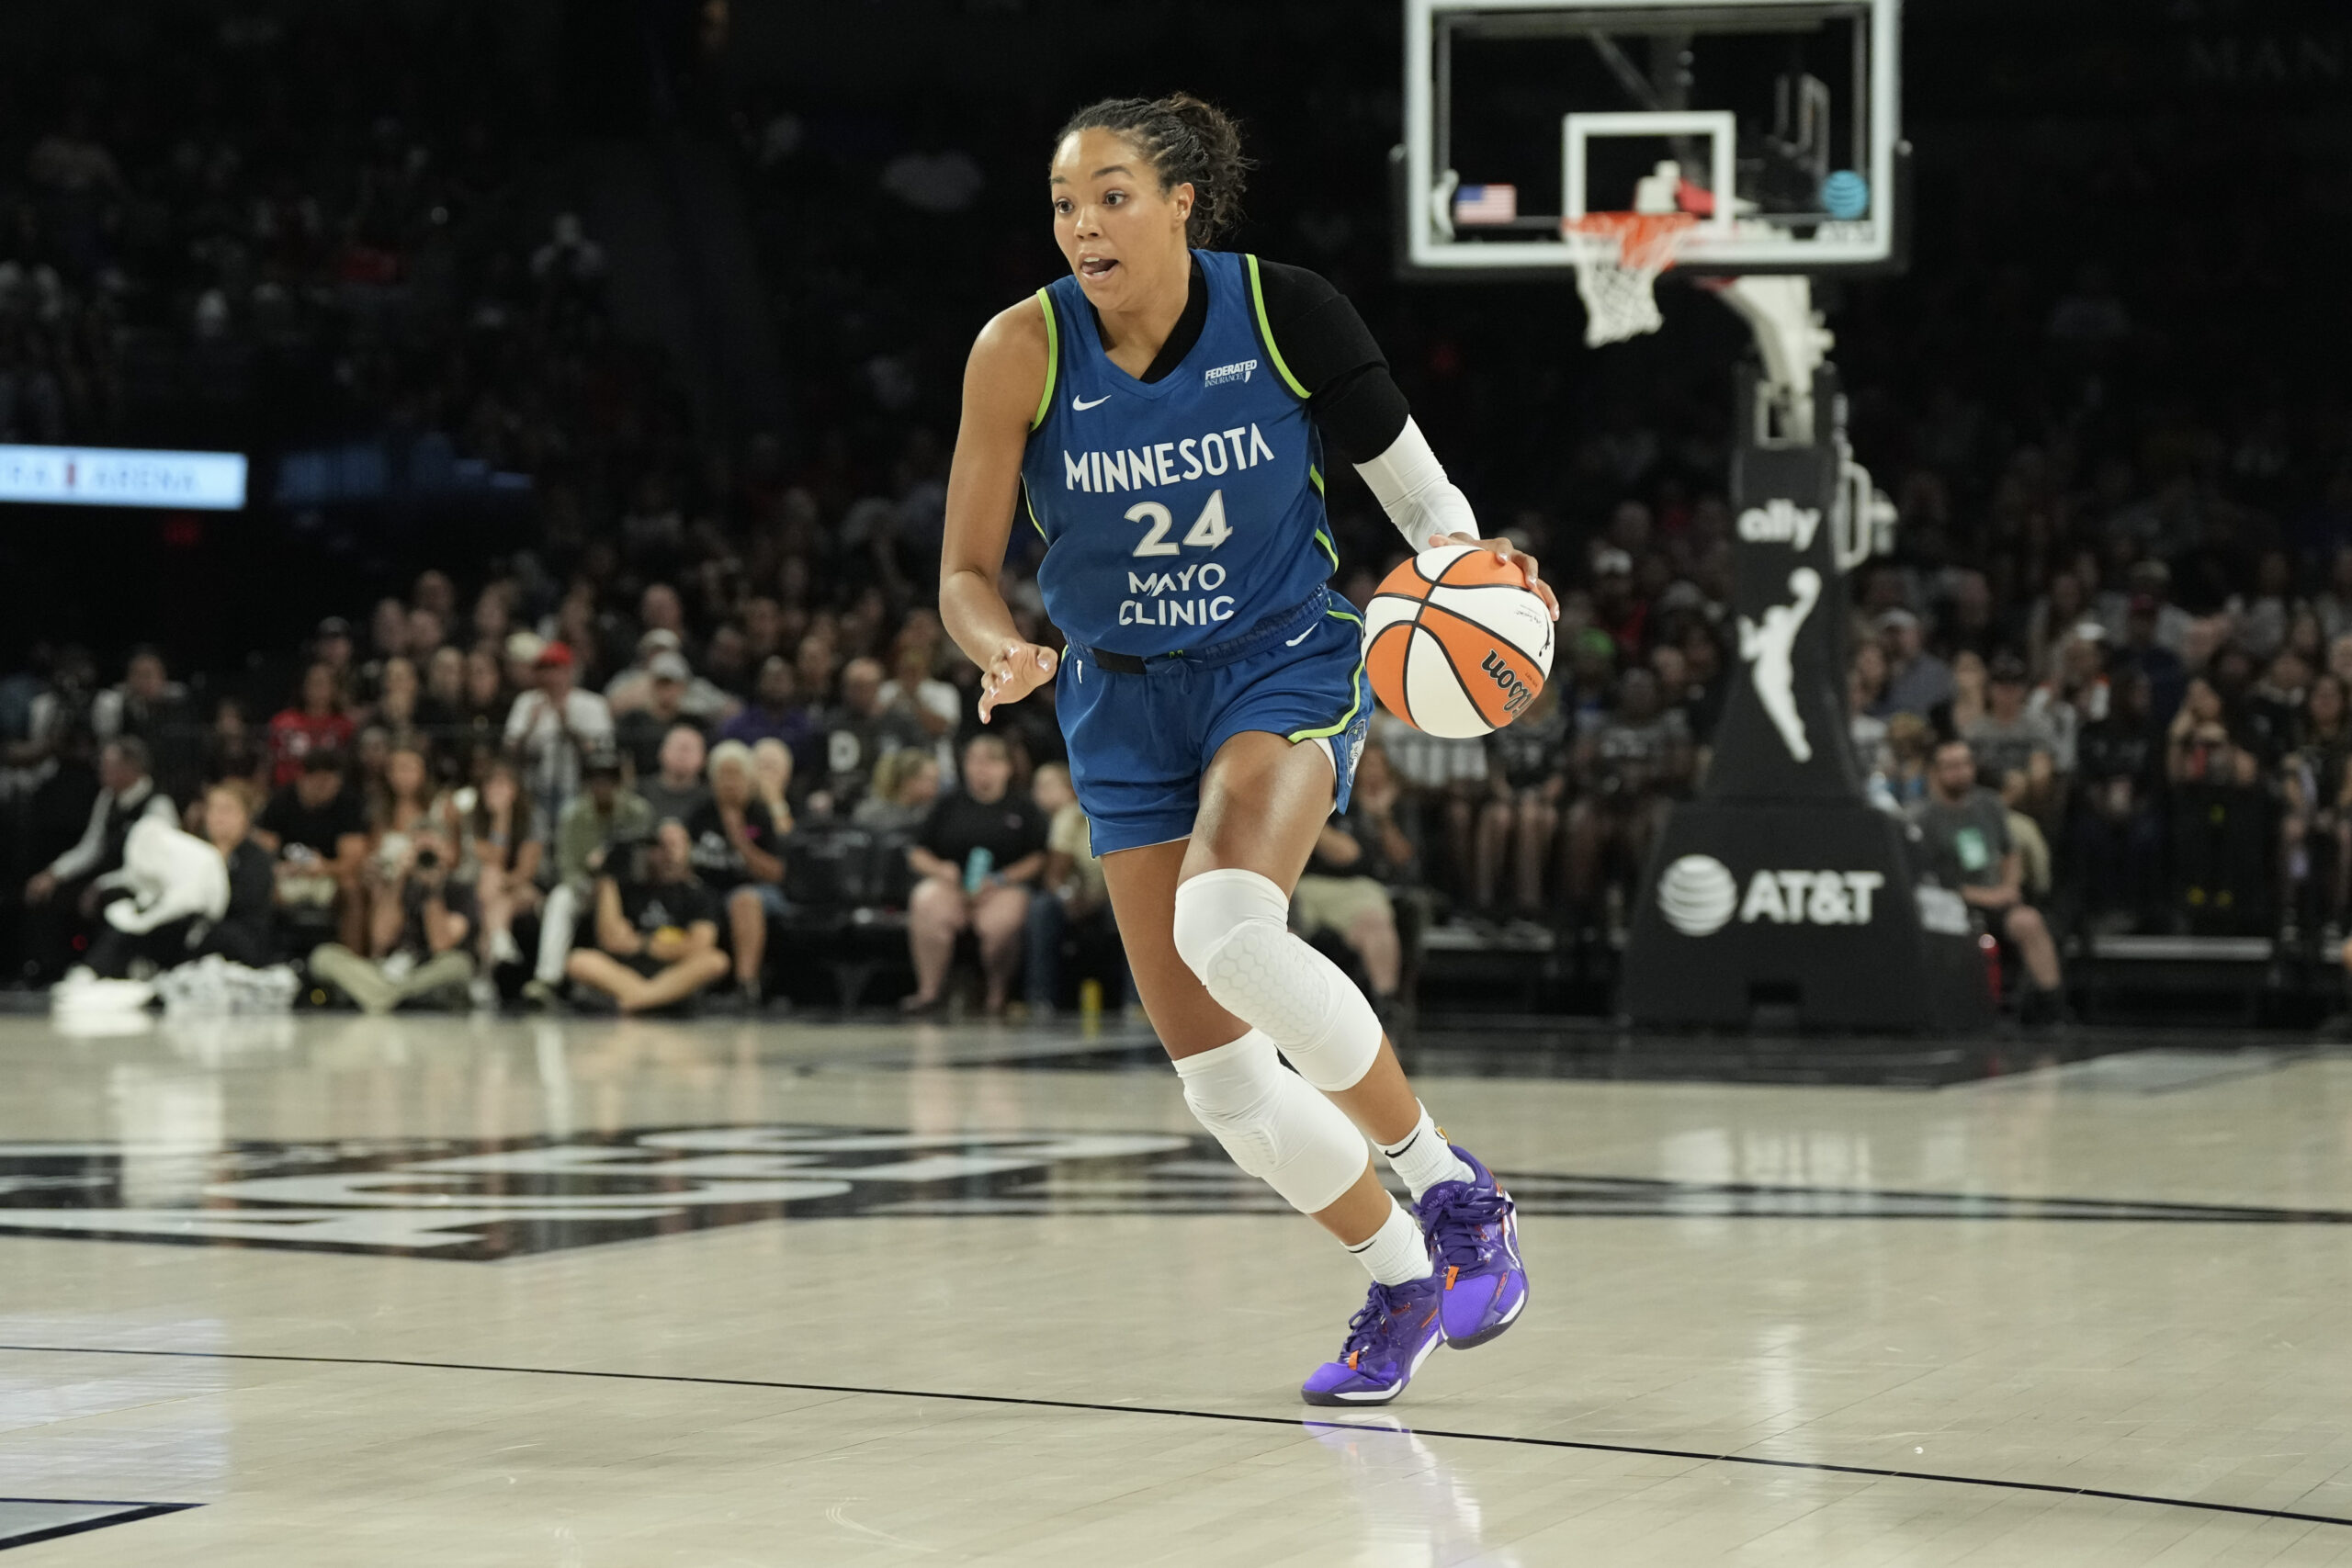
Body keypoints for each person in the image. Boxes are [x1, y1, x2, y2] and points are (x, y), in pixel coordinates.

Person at [938, 95, 1544, 1404]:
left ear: (1180, 204)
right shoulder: (1019, 349)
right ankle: (1398, 1276)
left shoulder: (1286, 311)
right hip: (1119, 700)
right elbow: (965, 573)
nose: (1081, 223)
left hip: (1282, 657)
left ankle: (1451, 1186)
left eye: (1109, 194)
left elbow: (1423, 498)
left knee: (1228, 921)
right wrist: (998, 645)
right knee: (1221, 1084)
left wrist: (1468, 572)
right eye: (1062, 201)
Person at [1912, 739, 2064, 1019]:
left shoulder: (1989, 804)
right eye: (1952, 766)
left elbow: (2010, 852)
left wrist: (2009, 886)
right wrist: (1982, 896)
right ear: (1936, 772)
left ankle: (2052, 1006)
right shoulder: (1925, 819)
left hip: (1996, 897)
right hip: (1952, 904)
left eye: (1966, 764)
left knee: (2029, 921)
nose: (1961, 772)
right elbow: (1928, 881)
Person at [902, 733, 1046, 1016]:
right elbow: (917, 852)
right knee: (925, 899)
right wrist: (941, 870)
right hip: (952, 885)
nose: (982, 769)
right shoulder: (948, 804)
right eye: (975, 762)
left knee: (1001, 924)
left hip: (1001, 885)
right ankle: (929, 991)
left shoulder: (1023, 808)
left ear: (1007, 768)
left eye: (991, 762)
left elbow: (1038, 857)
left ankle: (997, 992)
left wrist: (1002, 879)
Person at [21, 737, 180, 980]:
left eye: (110, 766)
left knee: (109, 901)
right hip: (105, 877)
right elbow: (91, 847)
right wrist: (54, 873)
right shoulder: (107, 798)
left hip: (140, 886)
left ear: (132, 768)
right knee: (52, 897)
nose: (102, 771)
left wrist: (104, 885)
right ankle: (50, 972)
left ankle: (101, 970)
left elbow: (157, 865)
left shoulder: (157, 805)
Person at [1294, 740, 1419, 1013]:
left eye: (1379, 765)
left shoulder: (1397, 805)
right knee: (1282, 929)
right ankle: (1287, 1013)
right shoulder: (1335, 797)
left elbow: (1402, 858)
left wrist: (1382, 818)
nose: (1373, 772)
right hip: (1307, 884)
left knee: (1375, 926)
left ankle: (1386, 1010)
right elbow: (1342, 852)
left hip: (1360, 887)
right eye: (1367, 765)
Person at [307, 815, 475, 1016]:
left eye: (430, 849)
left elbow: (441, 945)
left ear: (446, 851)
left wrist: (432, 890)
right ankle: (394, 996)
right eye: (418, 848)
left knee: (459, 964)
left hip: (428, 970)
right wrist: (398, 880)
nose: (424, 855)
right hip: (390, 969)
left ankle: (381, 996)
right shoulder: (397, 884)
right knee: (323, 956)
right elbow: (380, 939)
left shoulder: (460, 889)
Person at [524, 747, 651, 1009]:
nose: (602, 785)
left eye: (609, 779)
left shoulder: (638, 812)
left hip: (628, 889)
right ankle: (547, 978)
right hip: (584, 887)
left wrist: (612, 882)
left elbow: (643, 861)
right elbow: (566, 866)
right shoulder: (573, 816)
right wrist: (588, 884)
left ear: (619, 782)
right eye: (596, 778)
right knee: (560, 899)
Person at [563, 818, 730, 1014]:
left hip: (674, 971)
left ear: (689, 848)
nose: (668, 852)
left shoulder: (699, 893)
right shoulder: (630, 889)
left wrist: (643, 944)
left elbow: (700, 945)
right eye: (660, 845)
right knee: (579, 960)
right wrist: (607, 874)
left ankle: (637, 999)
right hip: (628, 971)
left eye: (675, 844)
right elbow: (610, 940)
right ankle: (652, 998)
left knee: (715, 960)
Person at [685, 739, 788, 1008]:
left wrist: (740, 840)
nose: (730, 783)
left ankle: (746, 986)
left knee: (744, 900)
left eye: (736, 775)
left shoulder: (761, 814)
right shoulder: (701, 814)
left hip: (758, 891)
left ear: (749, 779)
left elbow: (776, 873)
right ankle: (690, 986)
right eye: (723, 775)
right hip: (708, 889)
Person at [1023, 761, 1127, 1012]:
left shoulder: (1125, 809)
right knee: (1042, 907)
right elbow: (1055, 875)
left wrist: (1099, 898)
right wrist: (1067, 895)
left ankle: (1135, 1001)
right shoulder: (1070, 815)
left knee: (1125, 908)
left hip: (1117, 892)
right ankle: (1040, 999)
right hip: (1080, 893)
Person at [504, 640, 615, 831]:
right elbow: (509, 748)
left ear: (569, 670)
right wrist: (529, 727)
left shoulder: (592, 704)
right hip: (534, 786)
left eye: (555, 668)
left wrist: (568, 725)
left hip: (580, 787)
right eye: (544, 669)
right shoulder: (527, 702)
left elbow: (601, 752)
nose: (549, 676)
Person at [466, 758, 543, 972]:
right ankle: (500, 939)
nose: (495, 791)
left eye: (502, 785)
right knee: (491, 879)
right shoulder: (474, 818)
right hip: (480, 888)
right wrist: (501, 818)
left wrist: (503, 883)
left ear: (516, 789)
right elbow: (493, 859)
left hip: (522, 890)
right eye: (491, 784)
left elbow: (526, 872)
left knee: (494, 889)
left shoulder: (531, 818)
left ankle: (484, 975)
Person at [266, 662, 356, 785]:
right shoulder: (282, 722)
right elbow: (268, 761)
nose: (318, 689)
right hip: (287, 792)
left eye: (324, 683)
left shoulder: (344, 725)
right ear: (303, 687)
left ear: (335, 689)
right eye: (314, 683)